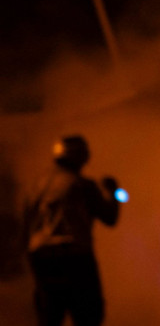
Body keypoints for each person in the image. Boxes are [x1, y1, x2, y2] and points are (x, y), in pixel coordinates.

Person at [21, 135, 121, 326]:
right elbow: (110, 218)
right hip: (75, 257)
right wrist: (113, 192)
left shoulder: (35, 187)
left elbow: (25, 225)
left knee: (50, 315)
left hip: (41, 257)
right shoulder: (82, 185)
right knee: (88, 315)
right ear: (80, 156)